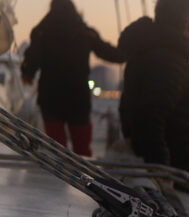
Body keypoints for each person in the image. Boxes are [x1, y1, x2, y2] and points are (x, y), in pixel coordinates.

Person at [117, 0, 189, 196]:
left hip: (162, 157)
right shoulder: (169, 59)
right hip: (180, 162)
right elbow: (150, 118)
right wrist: (162, 173)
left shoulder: (146, 50)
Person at [20, 0, 125, 156]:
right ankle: (83, 177)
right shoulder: (86, 33)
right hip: (78, 99)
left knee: (56, 151)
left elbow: (30, 62)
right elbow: (112, 54)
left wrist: (26, 72)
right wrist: (130, 50)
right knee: (82, 151)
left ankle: (57, 176)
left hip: (51, 98)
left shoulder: (41, 32)